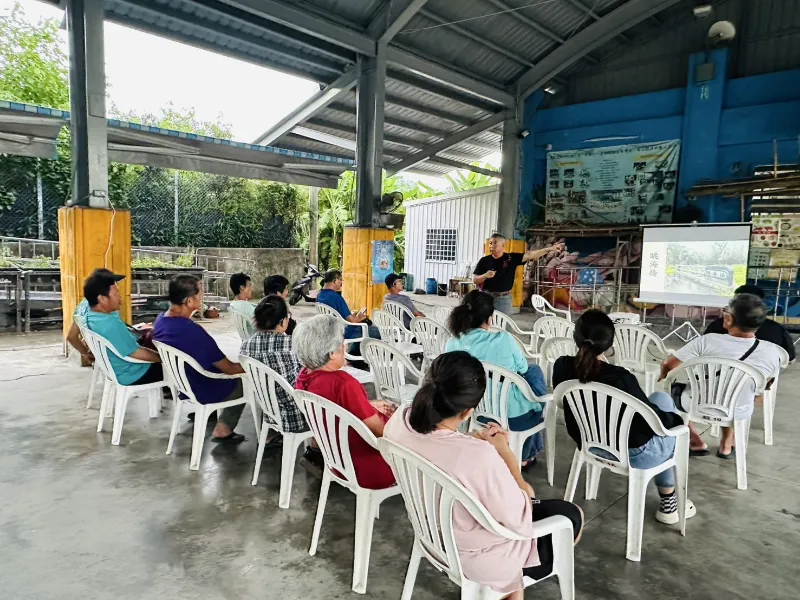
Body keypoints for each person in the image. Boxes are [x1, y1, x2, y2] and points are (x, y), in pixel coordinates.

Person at [384, 351, 583, 599]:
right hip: (477, 557)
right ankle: (511, 583)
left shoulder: (399, 420)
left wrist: (469, 441)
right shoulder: (477, 457)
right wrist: (504, 451)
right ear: (469, 412)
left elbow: (436, 445)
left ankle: (512, 589)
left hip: (432, 534)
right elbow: (522, 507)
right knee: (571, 515)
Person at [552, 309, 695, 525]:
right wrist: (677, 422)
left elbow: (563, 402)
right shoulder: (620, 378)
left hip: (587, 442)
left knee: (660, 398)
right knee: (672, 426)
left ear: (576, 337)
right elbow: (651, 420)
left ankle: (670, 500)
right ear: (609, 344)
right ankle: (669, 502)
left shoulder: (561, 366)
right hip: (633, 453)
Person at [660, 293, 783, 459]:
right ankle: (726, 445)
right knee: (734, 392)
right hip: (739, 409)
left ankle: (695, 440)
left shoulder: (706, 341)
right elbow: (765, 386)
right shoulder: (773, 351)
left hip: (698, 404)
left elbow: (669, 364)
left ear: (729, 319)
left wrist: (663, 374)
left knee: (668, 394)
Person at [445, 290, 547, 467]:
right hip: (512, 416)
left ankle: (527, 446)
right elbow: (522, 368)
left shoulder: (453, 342)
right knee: (533, 372)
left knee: (529, 378)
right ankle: (525, 455)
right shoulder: (503, 339)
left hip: (475, 411)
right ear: (490, 317)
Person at [293, 314, 396, 488]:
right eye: (342, 343)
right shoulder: (343, 383)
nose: (344, 346)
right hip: (368, 467)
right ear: (332, 354)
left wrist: (365, 404)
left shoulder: (304, 376)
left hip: (337, 461)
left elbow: (333, 408)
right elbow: (381, 431)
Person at [153, 274, 248, 444]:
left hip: (184, 383)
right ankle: (223, 430)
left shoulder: (161, 321)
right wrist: (253, 366)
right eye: (200, 293)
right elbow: (230, 368)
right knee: (242, 382)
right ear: (189, 301)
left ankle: (212, 412)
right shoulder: (191, 331)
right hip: (202, 386)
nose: (203, 296)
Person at [240, 295, 307, 441]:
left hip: (269, 411)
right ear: (283, 321)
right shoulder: (292, 344)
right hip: (296, 415)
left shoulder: (246, 345)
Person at [81, 269, 163, 386]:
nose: (120, 298)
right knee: (179, 367)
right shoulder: (110, 324)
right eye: (116, 294)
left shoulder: (89, 312)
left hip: (115, 368)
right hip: (133, 373)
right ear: (102, 298)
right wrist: (162, 358)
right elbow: (136, 353)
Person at [473, 233, 565, 315]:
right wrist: (485, 275)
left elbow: (530, 255)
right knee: (483, 324)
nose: (492, 246)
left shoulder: (511, 258)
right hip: (486, 297)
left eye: (495, 243)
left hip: (504, 299)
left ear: (503, 245)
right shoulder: (484, 261)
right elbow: (475, 280)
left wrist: (550, 249)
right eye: (490, 243)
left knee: (503, 327)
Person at [704, 284, 795, 361]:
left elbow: (701, 355)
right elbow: (789, 359)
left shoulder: (716, 327)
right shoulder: (776, 330)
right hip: (761, 379)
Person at [316, 269, 380, 345]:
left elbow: (338, 315)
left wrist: (354, 316)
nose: (341, 283)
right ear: (335, 281)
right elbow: (352, 321)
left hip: (330, 331)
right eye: (340, 279)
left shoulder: (319, 295)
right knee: (382, 332)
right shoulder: (336, 298)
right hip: (346, 333)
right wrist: (360, 317)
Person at [229, 272, 256, 338]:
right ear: (242, 287)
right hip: (256, 343)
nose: (251, 288)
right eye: (249, 285)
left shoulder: (234, 304)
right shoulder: (246, 307)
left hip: (246, 342)